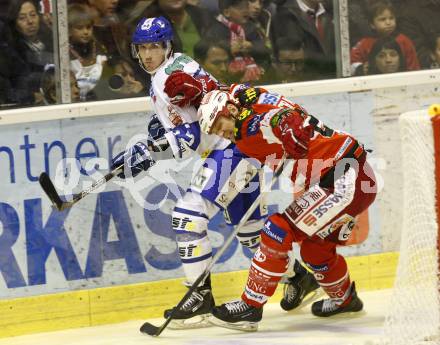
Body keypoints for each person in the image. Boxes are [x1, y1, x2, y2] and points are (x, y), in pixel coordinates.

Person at [110, 16, 317, 329]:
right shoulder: (177, 65)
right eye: (143, 47)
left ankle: (199, 298)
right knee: (251, 236)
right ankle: (300, 278)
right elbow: (193, 110)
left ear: (167, 47)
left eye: (155, 46)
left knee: (188, 215)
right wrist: (161, 131)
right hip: (240, 147)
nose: (149, 53)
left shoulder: (167, 78)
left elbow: (190, 136)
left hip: (229, 151)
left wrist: (148, 152)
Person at [197, 89, 377, 331]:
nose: (221, 133)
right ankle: (345, 301)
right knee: (315, 251)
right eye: (214, 131)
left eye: (220, 125)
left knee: (277, 229)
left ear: (230, 110)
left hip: (343, 181)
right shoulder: (247, 98)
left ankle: (250, 306)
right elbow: (243, 93)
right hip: (353, 174)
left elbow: (276, 119)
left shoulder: (250, 126)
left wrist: (286, 123)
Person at [205, 0, 269, 83]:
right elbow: (211, 48)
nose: (245, 11)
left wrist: (251, 46)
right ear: (227, 12)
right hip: (226, 76)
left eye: (246, 7)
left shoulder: (251, 28)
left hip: (253, 78)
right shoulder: (215, 28)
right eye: (240, 8)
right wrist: (230, 48)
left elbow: (265, 50)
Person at [350, 0, 419, 76]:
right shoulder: (365, 42)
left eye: (391, 18)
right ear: (372, 24)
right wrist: (360, 69)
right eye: (382, 19)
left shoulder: (404, 41)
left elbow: (413, 65)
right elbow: (352, 61)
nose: (388, 22)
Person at [5, 0, 53, 106]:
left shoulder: (51, 43)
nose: (30, 21)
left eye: (33, 15)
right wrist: (30, 97)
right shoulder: (10, 52)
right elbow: (6, 92)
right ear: (14, 23)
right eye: (22, 18)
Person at [272, 0, 336, 79]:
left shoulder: (334, 11)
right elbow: (292, 59)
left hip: (333, 80)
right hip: (306, 82)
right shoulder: (286, 16)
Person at [68, 3, 109, 101]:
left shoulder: (100, 49)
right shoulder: (65, 54)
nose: (86, 32)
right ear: (69, 29)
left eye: (88, 27)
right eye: (79, 28)